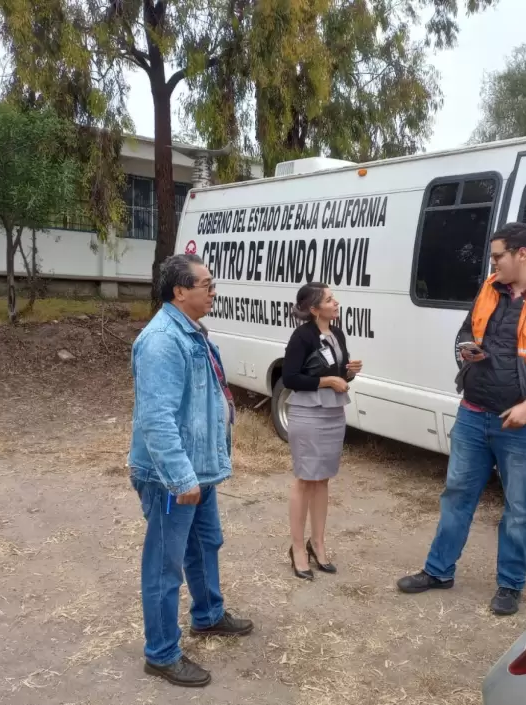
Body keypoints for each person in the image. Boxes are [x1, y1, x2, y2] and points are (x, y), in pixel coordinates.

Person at [397, 223, 526, 616]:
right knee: (456, 497)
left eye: (498, 256)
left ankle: (510, 585)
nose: (493, 263)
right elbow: (466, 332)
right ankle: (438, 571)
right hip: (473, 412)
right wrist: (466, 353)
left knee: (518, 508)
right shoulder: (490, 287)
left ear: (522, 254)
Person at [128, 254, 253, 688]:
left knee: (205, 545)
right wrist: (181, 477)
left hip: (199, 469)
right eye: (207, 283)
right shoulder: (162, 340)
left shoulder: (191, 331)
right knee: (164, 566)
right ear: (180, 290)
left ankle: (208, 615)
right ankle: (160, 654)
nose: (213, 290)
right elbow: (156, 418)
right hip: (171, 476)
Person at [282, 283, 362, 580]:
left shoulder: (337, 333)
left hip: (332, 412)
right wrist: (328, 382)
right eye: (329, 299)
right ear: (314, 309)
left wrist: (348, 372)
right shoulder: (301, 336)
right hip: (308, 413)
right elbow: (290, 377)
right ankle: (297, 548)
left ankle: (317, 543)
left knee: (323, 480)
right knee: (305, 479)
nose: (335, 302)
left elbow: (336, 374)